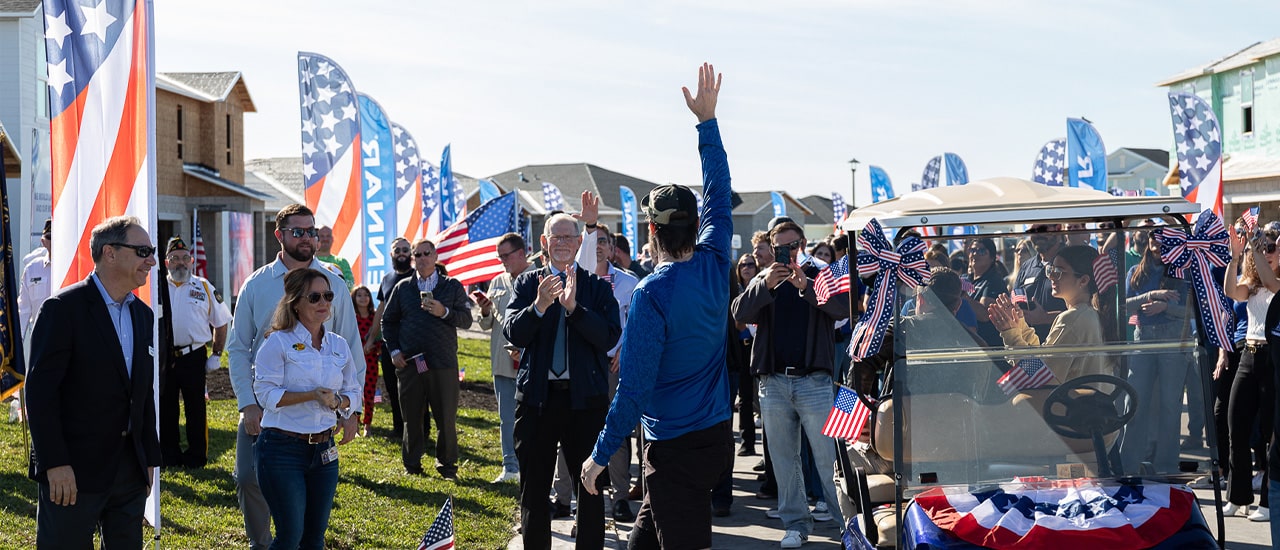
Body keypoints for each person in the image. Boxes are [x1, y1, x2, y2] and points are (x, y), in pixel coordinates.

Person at [582, 67, 735, 543]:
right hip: (713, 436)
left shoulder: (653, 292)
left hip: (675, 445)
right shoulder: (714, 258)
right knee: (644, 538)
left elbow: (634, 389)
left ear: (652, 232)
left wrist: (600, 455)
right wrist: (707, 124)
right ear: (694, 225)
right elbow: (718, 193)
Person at [227, 204, 365, 549]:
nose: (307, 238)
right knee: (247, 478)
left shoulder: (333, 282)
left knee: (305, 513)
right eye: (298, 232)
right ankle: (261, 543)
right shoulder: (256, 285)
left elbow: (350, 347)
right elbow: (239, 347)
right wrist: (248, 404)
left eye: (311, 231)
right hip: (266, 406)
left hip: (316, 419)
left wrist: (352, 411)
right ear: (280, 236)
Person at [26, 215, 161, 548]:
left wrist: (149, 460)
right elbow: (41, 394)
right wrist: (55, 463)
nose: (152, 260)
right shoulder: (62, 309)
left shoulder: (142, 314)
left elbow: (142, 395)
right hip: (72, 471)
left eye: (152, 251)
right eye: (143, 251)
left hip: (129, 471)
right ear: (110, 253)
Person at [503, 211, 621, 550]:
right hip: (537, 401)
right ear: (544, 242)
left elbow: (610, 336)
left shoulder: (596, 287)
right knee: (535, 489)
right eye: (556, 237)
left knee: (590, 486)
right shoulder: (528, 284)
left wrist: (575, 309)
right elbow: (514, 332)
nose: (563, 243)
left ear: (580, 241)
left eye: (570, 236)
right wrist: (539, 305)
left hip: (585, 402)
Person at [733, 218, 850, 548]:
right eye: (780, 246)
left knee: (828, 459)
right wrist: (765, 286)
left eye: (793, 244)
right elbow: (739, 313)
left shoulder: (821, 274)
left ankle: (847, 525)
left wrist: (807, 288)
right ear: (772, 247)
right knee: (784, 460)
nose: (788, 251)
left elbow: (844, 311)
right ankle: (796, 524)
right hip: (774, 383)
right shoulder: (763, 278)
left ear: (802, 244)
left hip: (813, 381)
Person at [253, 268, 362, 549]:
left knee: (314, 539)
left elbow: (353, 391)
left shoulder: (338, 345)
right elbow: (266, 395)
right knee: (290, 537)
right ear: (296, 302)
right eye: (314, 297)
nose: (323, 302)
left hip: (325, 451)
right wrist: (311, 395)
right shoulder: (277, 342)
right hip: (282, 449)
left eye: (328, 295)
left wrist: (340, 404)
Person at [382, 238, 473, 479]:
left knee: (446, 419)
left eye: (426, 254)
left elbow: (466, 320)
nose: (422, 259)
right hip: (411, 363)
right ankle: (412, 464)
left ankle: (447, 466)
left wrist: (443, 312)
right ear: (413, 259)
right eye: (418, 255)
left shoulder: (451, 286)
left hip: (443, 362)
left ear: (435, 257)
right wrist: (394, 351)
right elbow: (388, 322)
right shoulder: (403, 288)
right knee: (411, 417)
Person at [581, 224, 642, 522]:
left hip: (614, 364)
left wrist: (623, 349)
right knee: (579, 430)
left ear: (612, 247)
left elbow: (637, 323)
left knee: (616, 433)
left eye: (603, 241)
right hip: (582, 365)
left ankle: (620, 497)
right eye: (593, 241)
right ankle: (571, 497)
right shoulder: (574, 279)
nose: (598, 246)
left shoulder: (629, 283)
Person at [988, 245, 1114, 384]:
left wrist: (1011, 333)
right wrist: (1020, 326)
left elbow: (1040, 375)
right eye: (1051, 270)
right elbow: (1043, 360)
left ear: (1083, 281)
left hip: (1072, 404)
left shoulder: (1073, 318)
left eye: (1059, 271)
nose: (1051, 277)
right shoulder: (1089, 314)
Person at [1120, 231, 1190, 474]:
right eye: (1154, 243)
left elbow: (1192, 312)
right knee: (1135, 402)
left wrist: (1165, 307)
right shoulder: (1136, 273)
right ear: (1148, 244)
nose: (1158, 248)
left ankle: (1167, 468)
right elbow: (1123, 306)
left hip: (1173, 342)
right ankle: (1128, 465)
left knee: (1170, 407)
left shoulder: (1183, 271)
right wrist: (1151, 296)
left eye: (1163, 244)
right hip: (1143, 340)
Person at [160, 236, 231, 468]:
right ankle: (169, 454)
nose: (180, 263)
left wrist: (216, 354)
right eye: (174, 258)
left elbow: (221, 322)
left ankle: (196, 456)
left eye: (184, 258)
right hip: (165, 356)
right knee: (166, 407)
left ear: (191, 261)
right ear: (166, 262)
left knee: (195, 408)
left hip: (193, 356)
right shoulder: (157, 287)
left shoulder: (204, 287)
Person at [1224, 226, 1278, 520]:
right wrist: (1235, 257)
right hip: (1249, 354)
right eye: (1262, 249)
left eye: (1271, 248)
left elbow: (1272, 282)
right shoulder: (1253, 283)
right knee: (1237, 428)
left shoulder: (1276, 282)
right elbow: (1231, 291)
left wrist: (1254, 248)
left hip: (1273, 359)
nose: (1266, 253)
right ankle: (1238, 497)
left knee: (1272, 435)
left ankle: (1268, 502)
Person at [476, 232, 534, 483]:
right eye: (499, 257)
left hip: (532, 363)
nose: (502, 261)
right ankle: (510, 467)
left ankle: (532, 465)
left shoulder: (540, 277)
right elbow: (486, 324)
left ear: (521, 253)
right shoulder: (498, 282)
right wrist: (485, 311)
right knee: (506, 419)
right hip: (503, 363)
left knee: (533, 419)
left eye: (506, 256)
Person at [376, 237, 415, 440]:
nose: (401, 253)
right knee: (392, 387)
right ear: (391, 254)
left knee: (416, 390)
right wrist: (370, 338)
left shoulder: (418, 277)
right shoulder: (386, 279)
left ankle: (419, 431)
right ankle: (399, 428)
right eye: (397, 250)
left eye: (405, 250)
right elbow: (380, 310)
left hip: (413, 344)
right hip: (389, 343)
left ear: (410, 253)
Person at [1014, 224, 1068, 340]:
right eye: (1032, 231)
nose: (1038, 235)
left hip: (1063, 344)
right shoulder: (1026, 267)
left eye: (1042, 229)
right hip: (1029, 344)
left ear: (1058, 229)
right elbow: (1016, 301)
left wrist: (1045, 318)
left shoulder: (1071, 261)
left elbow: (1085, 309)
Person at [966, 237, 1008, 347]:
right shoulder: (966, 280)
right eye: (972, 250)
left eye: (982, 251)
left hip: (990, 347)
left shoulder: (994, 281)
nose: (975, 254)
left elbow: (985, 315)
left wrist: (961, 295)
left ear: (992, 257)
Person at [351, 286, 381, 437]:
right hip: (354, 362)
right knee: (355, 392)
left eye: (366, 295)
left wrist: (374, 347)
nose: (363, 298)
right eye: (359, 295)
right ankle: (354, 424)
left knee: (369, 393)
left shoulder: (374, 318)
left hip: (371, 361)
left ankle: (367, 425)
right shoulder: (351, 318)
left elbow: (380, 339)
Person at [17, 218, 52, 338]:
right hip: (40, 335)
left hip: (69, 336)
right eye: (50, 238)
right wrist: (17, 344)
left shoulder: (72, 267)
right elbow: (23, 309)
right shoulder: (32, 269)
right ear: (43, 241)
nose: (54, 242)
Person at [315, 225, 355, 290]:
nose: (325, 239)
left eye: (328, 236)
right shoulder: (310, 260)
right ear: (316, 239)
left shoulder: (342, 262)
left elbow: (350, 284)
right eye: (322, 236)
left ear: (332, 239)